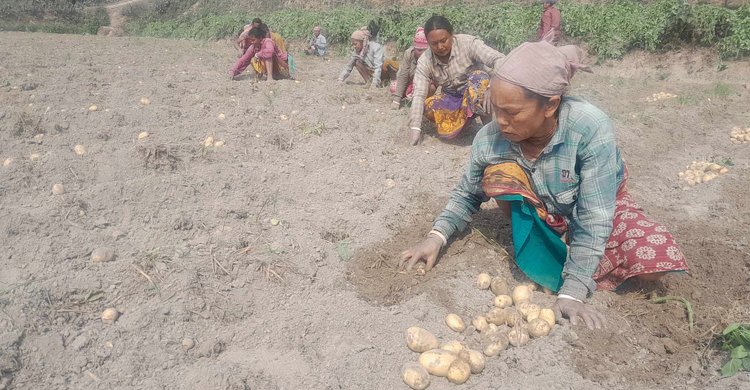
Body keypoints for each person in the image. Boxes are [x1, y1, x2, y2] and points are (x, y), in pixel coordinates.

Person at [400, 41, 688, 330]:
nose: (501, 122)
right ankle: (545, 240)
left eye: (512, 113)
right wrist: (435, 237)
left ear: (550, 105)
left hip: (591, 207)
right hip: (540, 212)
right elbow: (466, 194)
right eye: (496, 109)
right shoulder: (490, 138)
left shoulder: (589, 128)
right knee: (498, 176)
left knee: (655, 259)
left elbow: (595, 216)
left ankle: (575, 260)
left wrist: (573, 291)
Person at [407, 15, 505, 145]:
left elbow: (500, 59)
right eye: (434, 44)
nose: (440, 47)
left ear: (452, 35)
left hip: (479, 91)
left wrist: (492, 86)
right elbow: (419, 94)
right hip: (453, 98)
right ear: (428, 43)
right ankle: (463, 124)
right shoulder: (425, 61)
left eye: (444, 40)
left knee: (478, 79)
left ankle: (489, 129)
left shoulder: (468, 43)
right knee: (428, 107)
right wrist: (415, 128)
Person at [390, 27, 432, 110]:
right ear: (414, 48)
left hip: (425, 84)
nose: (422, 53)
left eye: (425, 50)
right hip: (412, 81)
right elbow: (403, 75)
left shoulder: (432, 55)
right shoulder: (409, 54)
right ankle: (408, 96)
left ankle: (423, 102)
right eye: (419, 50)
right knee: (394, 87)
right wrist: (396, 100)